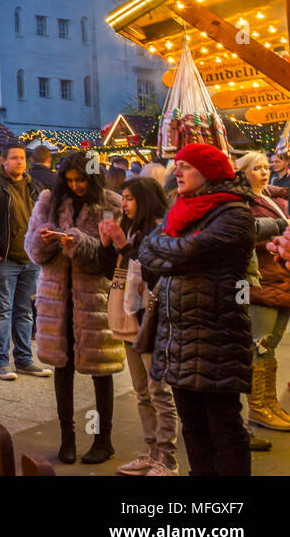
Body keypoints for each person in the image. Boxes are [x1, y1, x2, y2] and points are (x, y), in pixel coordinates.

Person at [138, 143, 253, 477]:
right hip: (177, 336)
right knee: (192, 426)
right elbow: (146, 251)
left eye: (185, 166)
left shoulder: (234, 213)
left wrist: (166, 250)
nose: (177, 171)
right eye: (177, 165)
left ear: (209, 172)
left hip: (217, 334)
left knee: (224, 427)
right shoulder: (181, 207)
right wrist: (170, 252)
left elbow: (187, 249)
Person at [26, 151, 125, 464]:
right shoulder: (48, 201)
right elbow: (32, 250)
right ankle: (67, 439)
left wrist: (79, 243)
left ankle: (103, 440)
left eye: (81, 179)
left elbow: (110, 257)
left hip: (93, 298)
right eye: (69, 181)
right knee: (62, 368)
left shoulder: (110, 204)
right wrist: (46, 241)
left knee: (101, 372)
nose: (76, 186)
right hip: (57, 299)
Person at [100, 177, 178, 476]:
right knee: (141, 390)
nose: (124, 204)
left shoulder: (161, 230)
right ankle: (151, 451)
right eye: (123, 197)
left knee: (158, 390)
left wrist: (122, 243)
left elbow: (154, 273)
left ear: (144, 199)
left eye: (129, 198)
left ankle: (168, 459)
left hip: (152, 318)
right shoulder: (131, 229)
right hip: (129, 316)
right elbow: (113, 272)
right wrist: (108, 246)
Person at [0, 145, 49, 381]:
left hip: (31, 259)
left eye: (22, 158)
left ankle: (25, 359)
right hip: (5, 259)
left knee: (25, 312)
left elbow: (44, 218)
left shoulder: (34, 186)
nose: (20, 162)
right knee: (3, 311)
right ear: (4, 162)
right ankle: (1, 361)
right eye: (14, 158)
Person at [234, 152, 290, 439]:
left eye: (266, 167)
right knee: (260, 344)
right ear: (242, 172)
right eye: (256, 168)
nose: (264, 172)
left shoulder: (275, 199)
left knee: (271, 344)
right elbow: (245, 235)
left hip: (281, 278)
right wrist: (281, 234)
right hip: (260, 284)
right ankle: (258, 407)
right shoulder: (242, 202)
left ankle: (269, 402)